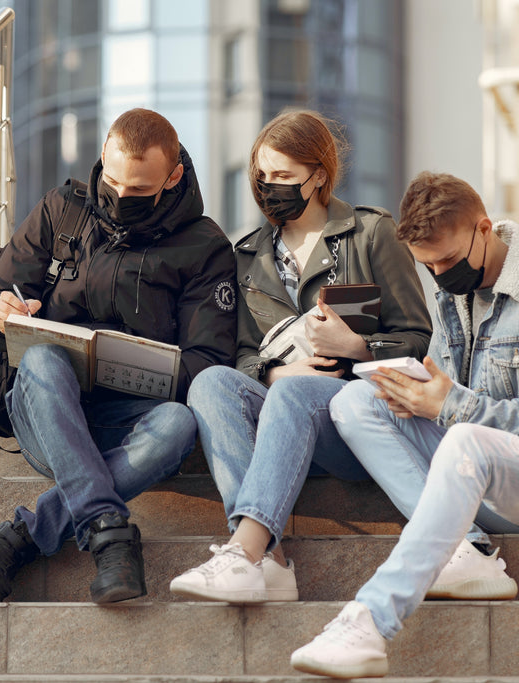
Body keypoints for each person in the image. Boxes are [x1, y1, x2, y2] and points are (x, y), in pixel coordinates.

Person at [289, 171, 519, 678]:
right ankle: (465, 550)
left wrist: (451, 406)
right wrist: (414, 396)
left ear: (484, 229)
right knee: (354, 403)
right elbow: (447, 397)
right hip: (480, 477)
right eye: (429, 267)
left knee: (468, 437)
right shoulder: (453, 296)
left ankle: (368, 622)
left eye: (448, 260)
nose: (440, 276)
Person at [0, 108, 237, 605]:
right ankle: (108, 534)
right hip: (45, 409)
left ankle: (22, 535)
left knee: (177, 424)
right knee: (44, 359)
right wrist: (0, 315)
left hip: (129, 415)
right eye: (111, 181)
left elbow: (207, 363)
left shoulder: (205, 247)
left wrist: (127, 361)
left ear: (173, 177)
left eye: (138, 190)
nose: (120, 197)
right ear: (101, 157)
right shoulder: (60, 210)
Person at [169, 110, 432, 604]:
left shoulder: (372, 234)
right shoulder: (244, 256)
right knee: (210, 383)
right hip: (277, 417)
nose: (270, 187)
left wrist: (356, 348)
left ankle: (245, 553)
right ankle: (268, 560)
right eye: (262, 176)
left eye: (284, 177)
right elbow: (240, 352)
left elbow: (417, 336)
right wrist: (272, 371)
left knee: (295, 391)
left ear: (318, 176)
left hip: (349, 424)